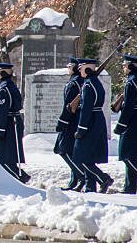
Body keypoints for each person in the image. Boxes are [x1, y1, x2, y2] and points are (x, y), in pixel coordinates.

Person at [72, 58, 113, 193]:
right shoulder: (93, 83)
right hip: (96, 119)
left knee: (81, 156)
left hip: (90, 122)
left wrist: (81, 129)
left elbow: (86, 109)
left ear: (87, 69)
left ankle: (103, 178)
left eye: (81, 68)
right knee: (87, 156)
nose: (79, 70)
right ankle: (91, 186)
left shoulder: (89, 85)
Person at [114, 55, 137, 194]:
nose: (123, 68)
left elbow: (129, 107)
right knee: (131, 155)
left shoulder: (132, 83)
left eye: (125, 65)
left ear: (130, 66)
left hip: (132, 121)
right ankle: (129, 187)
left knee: (126, 155)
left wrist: (121, 125)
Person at [0, 62, 30, 184]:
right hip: (13, 122)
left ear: (2, 73)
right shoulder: (9, 85)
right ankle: (19, 177)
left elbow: (3, 112)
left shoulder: (4, 88)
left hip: (10, 123)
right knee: (8, 155)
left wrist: (0, 130)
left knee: (3, 157)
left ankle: (21, 178)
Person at [54, 57, 86, 191]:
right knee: (69, 150)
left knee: (64, 150)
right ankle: (75, 180)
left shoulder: (74, 83)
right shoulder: (78, 81)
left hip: (71, 120)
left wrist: (62, 121)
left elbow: (69, 105)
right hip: (75, 119)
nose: (68, 68)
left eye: (69, 66)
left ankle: (81, 176)